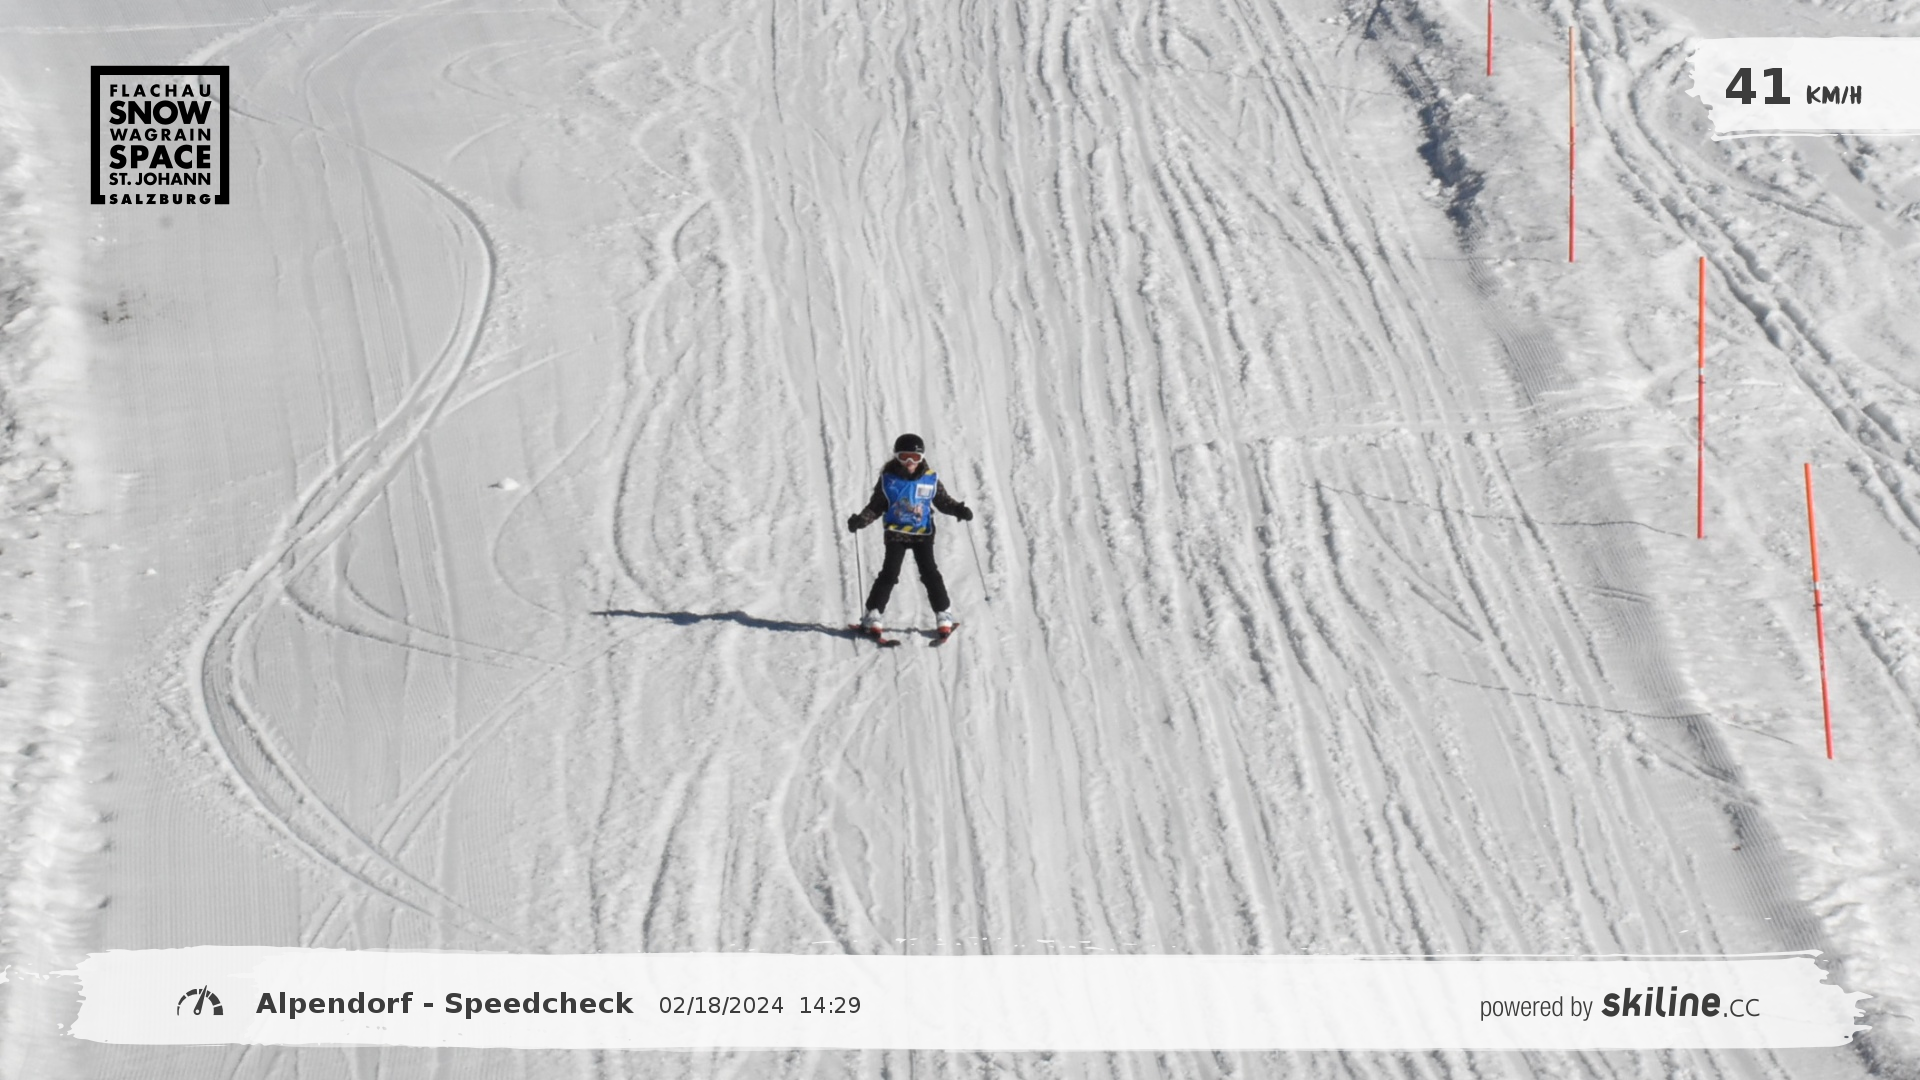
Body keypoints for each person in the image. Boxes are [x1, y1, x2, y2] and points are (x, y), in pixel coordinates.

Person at [846, 433, 974, 636]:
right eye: (904, 456)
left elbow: (942, 501)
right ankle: (873, 614)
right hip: (896, 533)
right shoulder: (888, 480)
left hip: (922, 533)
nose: (909, 462)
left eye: (914, 457)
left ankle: (943, 614)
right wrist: (861, 520)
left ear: (921, 457)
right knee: (890, 573)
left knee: (929, 573)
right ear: (896, 457)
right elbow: (877, 506)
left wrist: (959, 510)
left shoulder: (929, 478)